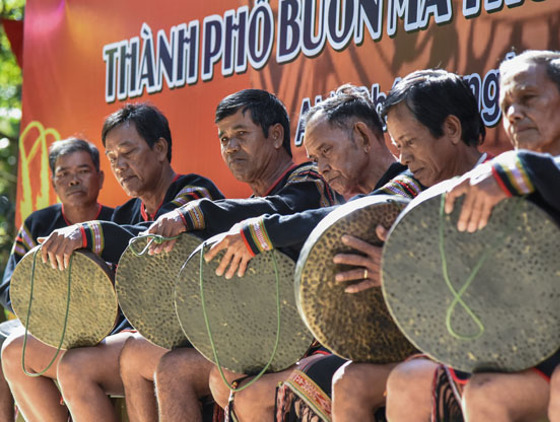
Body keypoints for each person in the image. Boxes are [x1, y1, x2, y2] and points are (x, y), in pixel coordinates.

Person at [191, 85, 424, 422]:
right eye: (315, 159)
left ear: (361, 135)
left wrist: (260, 234)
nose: (322, 167)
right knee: (233, 380)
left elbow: (349, 214)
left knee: (273, 392)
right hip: (354, 344)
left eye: (327, 151)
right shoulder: (349, 198)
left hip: (406, 345)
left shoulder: (407, 185)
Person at [393, 50, 560, 422]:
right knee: (487, 391)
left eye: (528, 99)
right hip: (547, 350)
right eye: (506, 107)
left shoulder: (551, 168)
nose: (514, 114)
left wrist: (516, 170)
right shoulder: (501, 186)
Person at [118, 89, 341, 422]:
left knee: (220, 376)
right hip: (260, 339)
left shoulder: (310, 181)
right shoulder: (248, 201)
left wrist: (196, 214)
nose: (231, 146)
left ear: (276, 135)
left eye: (240, 135)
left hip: (308, 339)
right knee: (170, 366)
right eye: (224, 139)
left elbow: (277, 211)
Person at [2, 103, 224, 422]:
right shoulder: (122, 215)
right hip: (124, 338)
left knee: (76, 366)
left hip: (187, 341)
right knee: (16, 350)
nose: (120, 165)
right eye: (112, 157)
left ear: (160, 148)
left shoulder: (194, 193)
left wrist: (89, 233)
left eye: (128, 152)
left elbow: (151, 236)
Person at [291, 69, 488, 422]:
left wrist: (403, 276)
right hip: (433, 341)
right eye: (398, 146)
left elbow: (496, 290)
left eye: (410, 143)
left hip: (486, 344)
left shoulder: (498, 185)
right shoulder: (419, 195)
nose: (404, 158)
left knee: (405, 381)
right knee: (348, 380)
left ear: (453, 130)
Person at [0, 137, 114, 422]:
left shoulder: (116, 224)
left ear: (100, 178)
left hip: (104, 333)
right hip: (47, 327)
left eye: (82, 171)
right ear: (53, 182)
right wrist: (48, 310)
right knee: (5, 337)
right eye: (63, 173)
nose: (73, 180)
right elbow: (8, 289)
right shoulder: (38, 224)